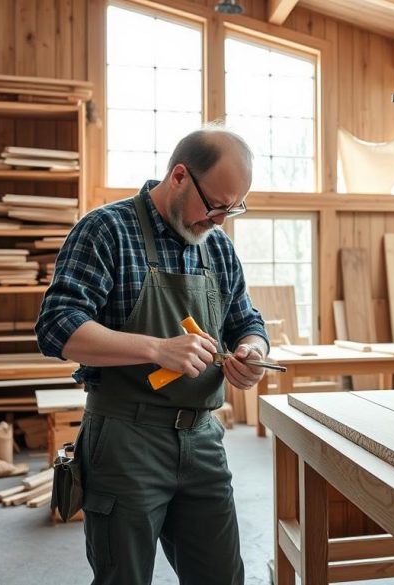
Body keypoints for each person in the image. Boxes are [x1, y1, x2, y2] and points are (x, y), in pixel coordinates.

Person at [36, 127, 269, 585]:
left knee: (221, 575)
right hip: (126, 440)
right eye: (216, 204)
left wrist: (253, 352)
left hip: (203, 439)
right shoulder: (107, 230)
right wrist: (157, 348)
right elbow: (56, 326)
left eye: (233, 208)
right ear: (180, 176)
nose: (221, 220)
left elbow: (247, 321)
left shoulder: (217, 246)